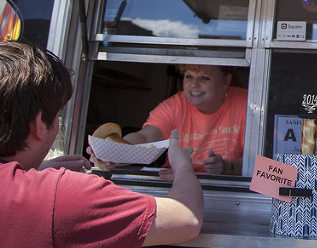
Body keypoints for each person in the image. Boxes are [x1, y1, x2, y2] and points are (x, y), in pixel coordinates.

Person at [0, 40, 204, 248]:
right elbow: (186, 220)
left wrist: (33, 170)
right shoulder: (59, 195)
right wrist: (183, 165)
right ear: (40, 125)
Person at [88, 64, 247, 175]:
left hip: (230, 191)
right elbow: (146, 136)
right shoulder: (174, 106)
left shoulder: (246, 103)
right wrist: (115, 152)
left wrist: (229, 168)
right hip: (178, 184)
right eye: (189, 76)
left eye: (204, 78)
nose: (194, 85)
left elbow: (263, 161)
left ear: (225, 81)